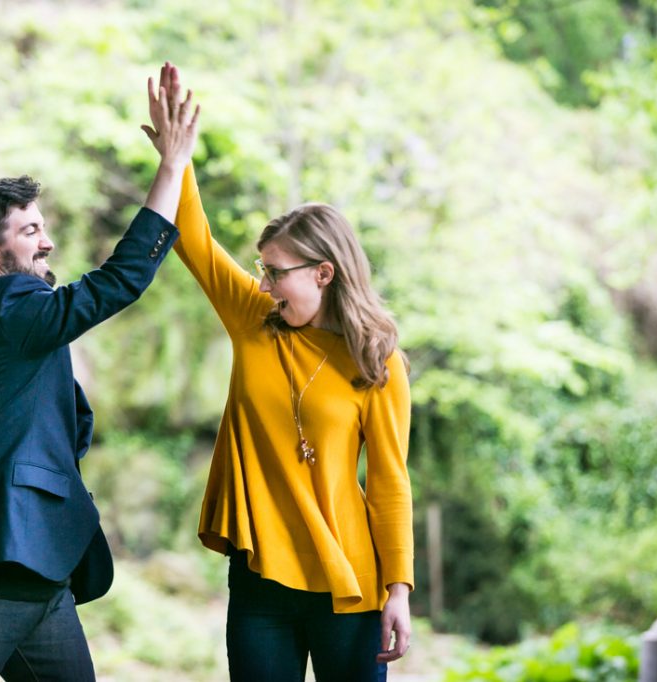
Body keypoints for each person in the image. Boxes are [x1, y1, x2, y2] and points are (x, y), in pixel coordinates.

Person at [0, 66, 200, 682]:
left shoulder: (16, 324)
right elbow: (118, 281)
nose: (47, 243)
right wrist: (170, 168)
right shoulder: (4, 304)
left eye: (43, 227)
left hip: (36, 574)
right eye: (29, 231)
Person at [146, 64, 413, 681]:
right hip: (261, 577)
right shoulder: (253, 318)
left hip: (350, 581)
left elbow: (391, 482)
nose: (263, 283)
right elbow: (194, 240)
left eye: (277, 271)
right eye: (261, 269)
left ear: (324, 273)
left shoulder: (377, 360)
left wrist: (398, 587)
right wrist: (175, 162)